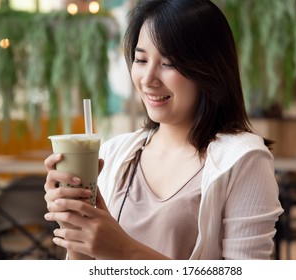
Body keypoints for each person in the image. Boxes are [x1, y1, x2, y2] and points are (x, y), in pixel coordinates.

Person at [44, 0, 283, 260]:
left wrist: (125, 250)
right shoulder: (114, 154)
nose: (148, 79)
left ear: (208, 68)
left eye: (168, 63)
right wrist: (74, 226)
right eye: (141, 59)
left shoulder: (243, 160)